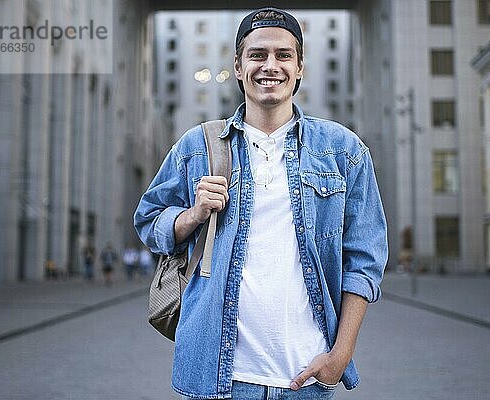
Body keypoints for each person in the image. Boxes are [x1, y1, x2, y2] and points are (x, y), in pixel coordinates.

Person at [134, 7, 387, 400]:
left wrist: (341, 354)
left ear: (300, 66)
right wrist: (192, 215)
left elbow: (365, 260)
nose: (270, 65)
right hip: (215, 377)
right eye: (257, 55)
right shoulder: (197, 148)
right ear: (238, 66)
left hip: (306, 376)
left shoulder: (344, 151)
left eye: (283, 55)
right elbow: (148, 221)